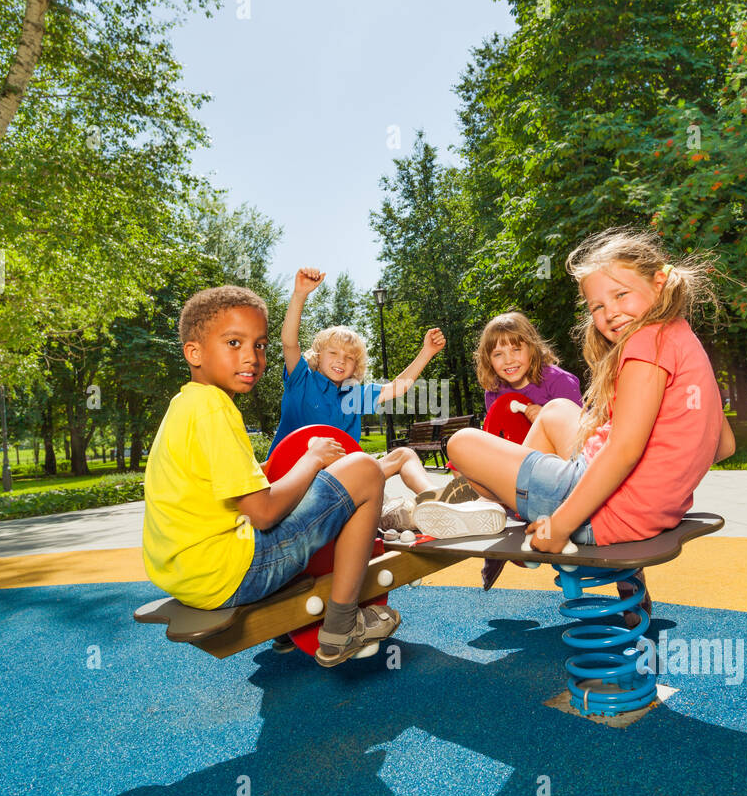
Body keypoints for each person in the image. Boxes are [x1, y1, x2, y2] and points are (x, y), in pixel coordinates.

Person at [420, 228, 737, 609]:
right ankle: (508, 505)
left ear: (659, 282)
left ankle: (500, 509)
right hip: (649, 510)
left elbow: (623, 452)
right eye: (597, 307)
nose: (610, 312)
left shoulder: (643, 345)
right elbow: (723, 446)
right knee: (556, 412)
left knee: (462, 443)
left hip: (605, 513)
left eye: (620, 295)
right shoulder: (681, 338)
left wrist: (561, 526)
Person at [143, 285, 400, 667]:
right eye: (234, 343)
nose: (251, 357)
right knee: (364, 470)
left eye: (259, 345)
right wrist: (311, 460)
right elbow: (263, 513)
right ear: (194, 352)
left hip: (184, 574)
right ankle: (342, 626)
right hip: (231, 573)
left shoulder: (186, 404)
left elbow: (237, 484)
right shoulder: (215, 409)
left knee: (330, 482)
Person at [272, 267, 455, 529]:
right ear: (318, 355)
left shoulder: (354, 394)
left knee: (403, 454)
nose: (341, 361)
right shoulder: (301, 380)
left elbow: (398, 387)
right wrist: (300, 295)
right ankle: (387, 513)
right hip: (294, 482)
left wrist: (427, 352)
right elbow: (289, 342)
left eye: (349, 357)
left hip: (343, 481)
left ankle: (438, 500)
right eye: (333, 353)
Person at [477, 311, 583, 424]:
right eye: (498, 354)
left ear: (532, 349)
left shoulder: (559, 381)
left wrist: (548, 420)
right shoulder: (493, 392)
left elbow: (581, 428)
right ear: (488, 360)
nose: (508, 361)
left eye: (516, 349)